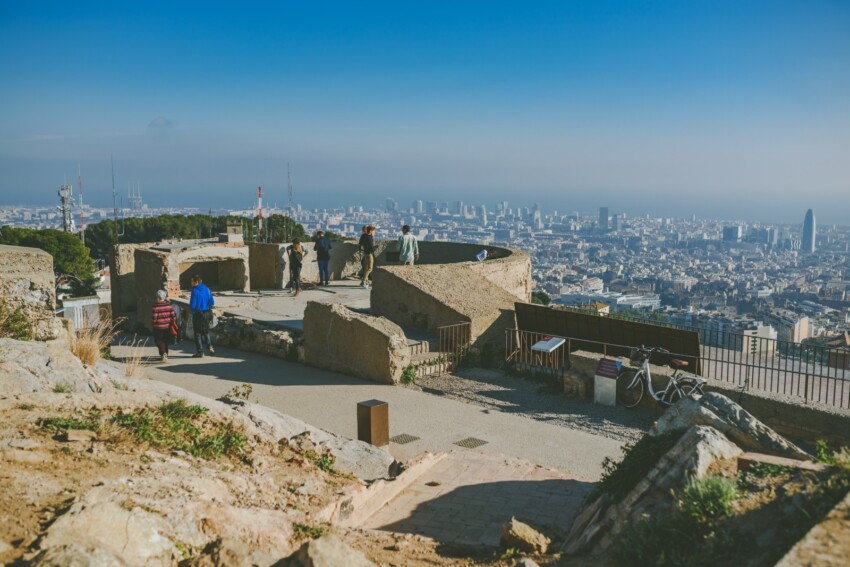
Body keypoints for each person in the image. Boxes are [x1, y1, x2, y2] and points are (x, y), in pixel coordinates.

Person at [189, 274, 215, 357]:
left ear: (196, 282)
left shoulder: (194, 291)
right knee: (206, 331)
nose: (191, 283)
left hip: (198, 314)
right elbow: (212, 302)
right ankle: (210, 347)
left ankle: (200, 352)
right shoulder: (207, 289)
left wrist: (193, 310)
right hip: (207, 313)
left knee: (197, 333)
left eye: (192, 281)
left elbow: (192, 305)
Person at [151, 290, 177, 363]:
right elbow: (173, 316)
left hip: (158, 328)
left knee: (159, 341)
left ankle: (163, 354)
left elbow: (154, 319)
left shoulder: (155, 307)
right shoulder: (169, 305)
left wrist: (153, 324)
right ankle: (165, 354)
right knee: (165, 341)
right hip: (167, 327)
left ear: (158, 297)